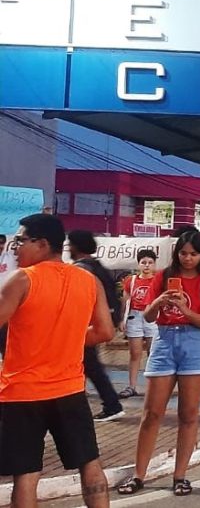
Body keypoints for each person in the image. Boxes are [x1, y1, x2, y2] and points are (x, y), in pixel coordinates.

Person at [0, 214, 116, 508]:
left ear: (42, 244)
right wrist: (70, 336)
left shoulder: (23, 279)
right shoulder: (87, 280)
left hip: (22, 392)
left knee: (26, 475)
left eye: (20, 241)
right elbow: (105, 331)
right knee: (89, 463)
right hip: (70, 389)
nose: (16, 248)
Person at [117, 229, 200, 497]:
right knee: (151, 413)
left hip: (195, 344)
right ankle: (139, 474)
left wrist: (184, 310)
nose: (188, 259)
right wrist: (160, 301)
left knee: (188, 414)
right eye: (183, 253)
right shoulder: (163, 276)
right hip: (164, 341)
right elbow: (149, 316)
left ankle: (180, 475)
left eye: (193, 254)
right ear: (176, 253)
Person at [68, 230, 127, 422]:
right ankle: (106, 404)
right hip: (99, 323)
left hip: (86, 325)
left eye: (70, 244)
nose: (68, 248)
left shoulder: (81, 270)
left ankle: (111, 405)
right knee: (89, 366)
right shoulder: (98, 266)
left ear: (76, 246)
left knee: (89, 366)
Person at [120, 249, 159, 399]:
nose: (147, 266)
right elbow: (125, 300)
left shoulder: (157, 281)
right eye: (143, 262)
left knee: (153, 353)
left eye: (150, 263)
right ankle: (132, 386)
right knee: (135, 353)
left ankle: (154, 386)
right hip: (134, 317)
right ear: (138, 264)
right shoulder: (131, 280)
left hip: (152, 316)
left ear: (154, 265)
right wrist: (121, 320)